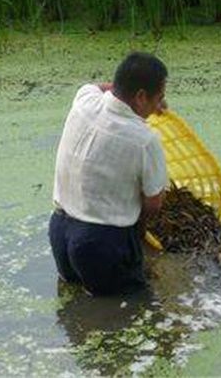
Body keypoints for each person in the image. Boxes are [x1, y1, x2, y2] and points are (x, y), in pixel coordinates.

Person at [49, 51, 169, 296]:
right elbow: (154, 203)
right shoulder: (144, 140)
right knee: (129, 314)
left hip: (60, 230)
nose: (160, 108)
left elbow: (98, 87)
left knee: (76, 310)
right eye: (159, 99)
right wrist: (138, 232)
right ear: (141, 96)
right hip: (101, 244)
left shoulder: (84, 100)